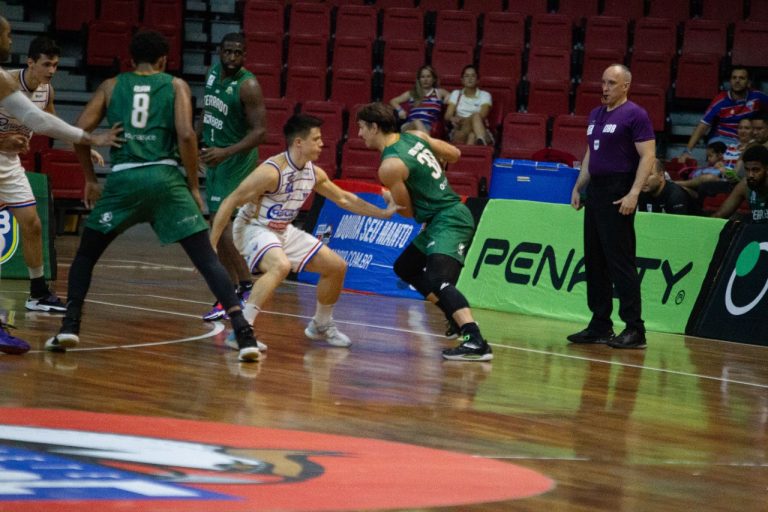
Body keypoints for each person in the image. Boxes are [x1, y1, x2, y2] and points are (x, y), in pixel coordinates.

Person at [44, 30, 262, 363]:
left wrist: (90, 178)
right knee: (205, 258)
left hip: (123, 180)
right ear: (164, 60)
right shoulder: (175, 85)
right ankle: (244, 334)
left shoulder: (112, 86)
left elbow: (78, 131)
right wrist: (191, 185)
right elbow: (188, 135)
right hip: (165, 179)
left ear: (130, 60)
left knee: (86, 256)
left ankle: (69, 326)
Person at [209, 113, 401, 351]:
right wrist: (212, 245)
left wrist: (383, 213)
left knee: (336, 267)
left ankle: (320, 324)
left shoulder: (314, 173)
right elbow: (230, 201)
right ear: (299, 142)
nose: (322, 144)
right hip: (253, 227)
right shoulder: (271, 172)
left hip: (283, 230)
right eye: (316, 139)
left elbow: (344, 199)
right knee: (281, 266)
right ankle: (242, 330)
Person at [0, 17, 122, 355]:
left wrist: (85, 148)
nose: (52, 70)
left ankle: (38, 292)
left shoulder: (44, 90)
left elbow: (48, 123)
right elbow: (37, 121)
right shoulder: (6, 80)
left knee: (33, 224)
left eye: (56, 64)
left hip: (8, 167)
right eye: (7, 34)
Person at [356, 102, 493, 362]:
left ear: (374, 127)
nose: (360, 134)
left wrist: (389, 199)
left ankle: (473, 339)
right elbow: (454, 154)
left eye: (362, 128)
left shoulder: (390, 166)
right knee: (406, 267)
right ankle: (453, 317)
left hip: (449, 218)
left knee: (439, 280)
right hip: (440, 217)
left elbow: (406, 212)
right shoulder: (415, 136)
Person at [569, 64, 656, 349]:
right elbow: (590, 154)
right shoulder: (595, 114)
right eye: (603, 82)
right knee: (594, 262)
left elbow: (648, 156)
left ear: (625, 86)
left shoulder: (635, 114)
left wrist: (634, 193)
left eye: (611, 83)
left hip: (619, 191)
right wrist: (579, 186)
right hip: (596, 191)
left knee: (621, 262)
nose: (604, 88)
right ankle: (600, 324)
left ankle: (635, 328)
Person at [199, 32, 266, 322]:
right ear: (219, 52)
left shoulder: (248, 85)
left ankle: (242, 287)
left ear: (245, 56)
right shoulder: (213, 74)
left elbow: (260, 132)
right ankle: (238, 287)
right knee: (218, 226)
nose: (232, 58)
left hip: (236, 162)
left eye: (238, 53)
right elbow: (209, 113)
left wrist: (225, 152)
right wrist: (199, 145)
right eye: (228, 52)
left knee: (222, 227)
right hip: (215, 159)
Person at [678, 66, 768, 161]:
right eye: (734, 78)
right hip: (722, 139)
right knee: (718, 154)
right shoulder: (720, 100)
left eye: (741, 78)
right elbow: (702, 126)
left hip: (747, 139)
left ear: (748, 82)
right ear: (730, 81)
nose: (737, 81)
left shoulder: (757, 97)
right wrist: (687, 151)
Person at [712, 145, 768, 223]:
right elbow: (719, 216)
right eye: (747, 170)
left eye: (756, 170)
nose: (750, 175)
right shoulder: (745, 185)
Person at [388, 65, 449, 134]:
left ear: (434, 79)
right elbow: (393, 101)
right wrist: (400, 110)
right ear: (419, 79)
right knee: (417, 122)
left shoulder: (439, 92)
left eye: (428, 76)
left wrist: (447, 100)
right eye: (422, 77)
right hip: (409, 126)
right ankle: (428, 142)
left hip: (429, 126)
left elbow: (453, 98)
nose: (425, 80)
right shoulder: (412, 93)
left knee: (421, 129)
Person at [444, 65, 493, 146]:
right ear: (462, 80)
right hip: (460, 129)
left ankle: (480, 141)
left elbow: (483, 115)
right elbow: (447, 115)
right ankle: (481, 141)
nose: (470, 79)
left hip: (479, 127)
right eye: (466, 76)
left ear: (478, 80)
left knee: (472, 134)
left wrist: (466, 120)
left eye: (473, 76)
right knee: (474, 119)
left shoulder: (485, 95)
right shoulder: (456, 94)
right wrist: (452, 118)